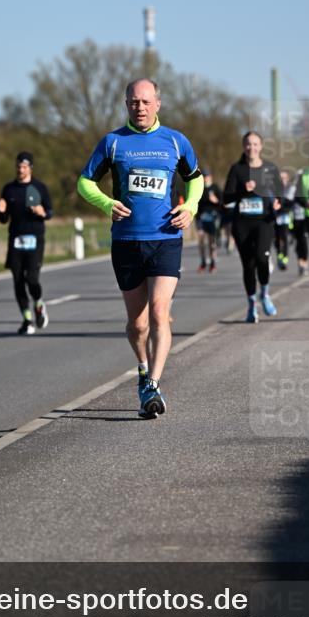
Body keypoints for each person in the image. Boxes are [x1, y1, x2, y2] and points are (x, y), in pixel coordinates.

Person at [77, 78, 203, 418]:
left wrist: (190, 208)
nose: (140, 107)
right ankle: (142, 366)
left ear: (158, 104)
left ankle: (153, 383)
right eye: (134, 102)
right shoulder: (113, 143)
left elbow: (196, 178)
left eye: (146, 102)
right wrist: (106, 204)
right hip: (127, 242)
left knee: (161, 311)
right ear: (126, 104)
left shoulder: (176, 142)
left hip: (165, 238)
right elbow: (84, 181)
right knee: (138, 324)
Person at [223, 131, 283, 322]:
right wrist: (242, 190)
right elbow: (226, 198)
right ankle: (251, 306)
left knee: (262, 259)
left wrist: (277, 203)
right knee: (248, 266)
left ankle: (264, 293)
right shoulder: (237, 169)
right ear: (244, 146)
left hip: (264, 222)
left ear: (261, 146)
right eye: (248, 144)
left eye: (255, 144)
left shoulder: (270, 168)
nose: (252, 148)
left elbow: (280, 194)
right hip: (242, 224)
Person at [0, 152, 53, 334]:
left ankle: (38, 303)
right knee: (18, 281)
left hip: (35, 238)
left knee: (32, 279)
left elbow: (50, 212)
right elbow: (3, 220)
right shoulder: (8, 189)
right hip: (15, 240)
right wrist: (1, 211)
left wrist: (42, 212)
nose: (21, 170)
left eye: (24, 167)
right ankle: (27, 320)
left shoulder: (39, 187)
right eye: (18, 166)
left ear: (30, 168)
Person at [195, 170, 223, 273]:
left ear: (210, 177)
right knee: (201, 241)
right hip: (201, 218)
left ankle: (212, 263)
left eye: (207, 176)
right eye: (204, 176)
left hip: (212, 218)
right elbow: (194, 201)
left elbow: (222, 203)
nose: (205, 178)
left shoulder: (215, 187)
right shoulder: (199, 188)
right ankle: (202, 262)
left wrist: (216, 200)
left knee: (212, 242)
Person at [274, 171, 292, 270]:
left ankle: (285, 259)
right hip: (276, 217)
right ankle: (279, 255)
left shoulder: (290, 189)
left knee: (284, 238)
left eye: (284, 178)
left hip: (286, 217)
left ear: (287, 179)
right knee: (276, 239)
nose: (282, 180)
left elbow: (291, 203)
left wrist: (282, 208)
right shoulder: (275, 189)